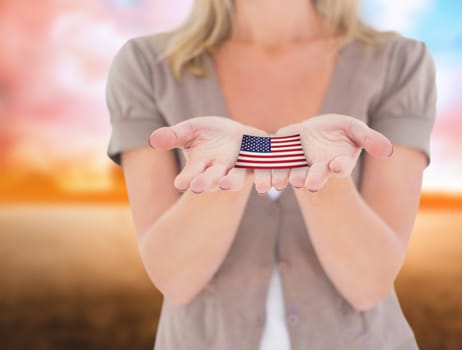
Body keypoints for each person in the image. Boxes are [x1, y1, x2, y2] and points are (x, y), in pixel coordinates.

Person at [105, 0, 437, 349]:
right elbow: (175, 277)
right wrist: (239, 163)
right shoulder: (145, 65)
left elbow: (369, 283)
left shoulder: (400, 61)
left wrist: (318, 173)